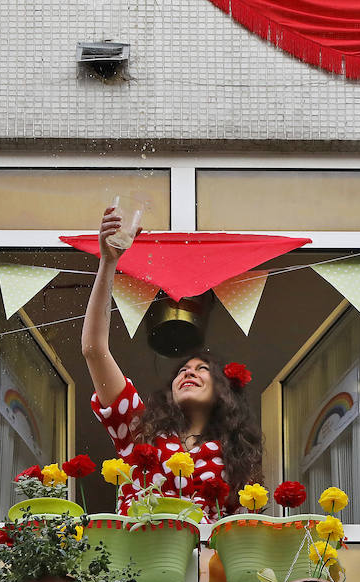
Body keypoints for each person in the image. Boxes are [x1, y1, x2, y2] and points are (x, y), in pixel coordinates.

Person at [81, 206, 263, 515]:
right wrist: (108, 263)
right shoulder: (140, 432)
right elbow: (93, 349)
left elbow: (240, 532)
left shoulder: (236, 458)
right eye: (183, 370)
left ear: (223, 392)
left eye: (202, 369)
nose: (189, 373)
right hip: (139, 547)